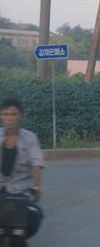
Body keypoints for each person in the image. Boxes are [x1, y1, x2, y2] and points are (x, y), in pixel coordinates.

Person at [0, 98, 44, 247]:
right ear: (1, 116)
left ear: (20, 116)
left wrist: (36, 187)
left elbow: (36, 163)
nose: (10, 118)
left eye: (13, 114)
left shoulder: (30, 138)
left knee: (21, 231)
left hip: (22, 191)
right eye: (6, 114)